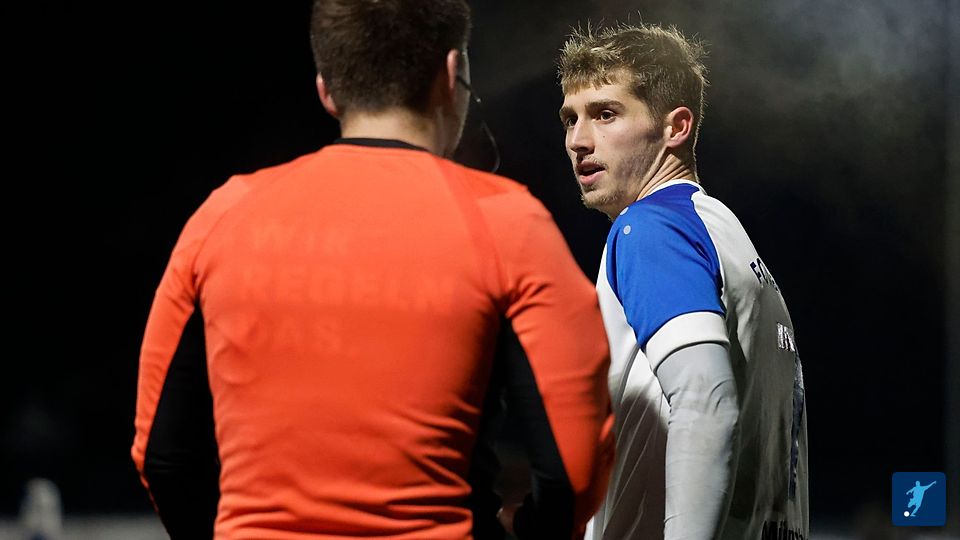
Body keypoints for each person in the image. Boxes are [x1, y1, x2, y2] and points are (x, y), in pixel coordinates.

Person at [131, 1, 614, 538]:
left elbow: (162, 456)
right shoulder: (507, 223)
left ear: (326, 89)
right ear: (451, 73)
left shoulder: (222, 216)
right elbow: (572, 466)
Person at [557, 22, 809, 539]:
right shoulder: (726, 235)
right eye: (570, 118)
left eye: (605, 114)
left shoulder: (651, 229)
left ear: (676, 127)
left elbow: (705, 399)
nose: (578, 141)